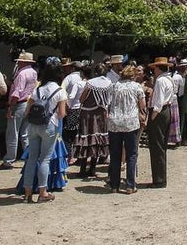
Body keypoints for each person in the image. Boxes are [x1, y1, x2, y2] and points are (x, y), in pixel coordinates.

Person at [16, 58, 68, 203]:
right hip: (49, 126)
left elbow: (28, 110)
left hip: (33, 126)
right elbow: (62, 114)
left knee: (32, 158)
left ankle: (27, 192)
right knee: (44, 159)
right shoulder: (60, 91)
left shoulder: (37, 90)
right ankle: (43, 191)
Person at [107, 64, 146, 194]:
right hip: (130, 123)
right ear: (133, 75)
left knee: (115, 155)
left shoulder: (114, 86)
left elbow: (108, 103)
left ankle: (114, 185)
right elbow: (142, 104)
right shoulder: (137, 87)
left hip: (114, 123)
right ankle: (130, 185)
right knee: (131, 154)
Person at [73, 63, 111, 179]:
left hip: (88, 114)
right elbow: (109, 100)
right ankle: (93, 168)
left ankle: (83, 168)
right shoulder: (109, 83)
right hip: (101, 114)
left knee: (86, 138)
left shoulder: (90, 83)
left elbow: (82, 98)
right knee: (98, 139)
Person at [0, 51, 37, 169]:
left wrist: (11, 106)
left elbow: (17, 92)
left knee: (12, 133)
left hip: (20, 103)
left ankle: (9, 159)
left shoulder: (21, 74)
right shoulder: (34, 72)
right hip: (29, 102)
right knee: (25, 134)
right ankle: (28, 157)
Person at [147, 57, 174, 187]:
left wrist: (152, 116)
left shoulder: (161, 81)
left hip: (159, 112)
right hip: (167, 110)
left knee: (156, 146)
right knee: (161, 145)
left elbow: (158, 101)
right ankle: (160, 178)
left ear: (158, 68)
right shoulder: (169, 79)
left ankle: (158, 179)